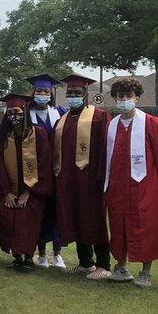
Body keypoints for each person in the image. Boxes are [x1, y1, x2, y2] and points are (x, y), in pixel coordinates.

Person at [103, 76, 158, 288]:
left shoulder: (150, 123)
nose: (124, 100)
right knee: (119, 226)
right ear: (114, 98)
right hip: (118, 187)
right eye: (120, 96)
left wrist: (155, 186)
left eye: (128, 96)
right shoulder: (112, 125)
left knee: (146, 226)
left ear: (137, 98)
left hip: (143, 185)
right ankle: (120, 267)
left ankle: (145, 272)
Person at [55, 74, 113, 280]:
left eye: (76, 93)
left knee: (94, 220)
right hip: (68, 180)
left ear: (86, 94)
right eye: (69, 93)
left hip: (91, 180)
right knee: (77, 218)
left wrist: (102, 178)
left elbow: (107, 148)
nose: (72, 96)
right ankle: (85, 262)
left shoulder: (99, 116)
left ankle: (104, 264)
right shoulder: (62, 120)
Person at [0, 93, 54, 272]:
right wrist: (7, 191)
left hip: (32, 191)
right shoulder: (2, 135)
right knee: (9, 220)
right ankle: (16, 257)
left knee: (27, 222)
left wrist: (28, 192)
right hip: (9, 190)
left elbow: (44, 163)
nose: (13, 115)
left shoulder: (38, 134)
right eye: (9, 111)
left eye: (16, 111)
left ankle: (28, 258)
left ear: (24, 111)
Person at [26, 74, 67, 269]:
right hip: (36, 171)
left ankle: (57, 254)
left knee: (56, 212)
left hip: (56, 170)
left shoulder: (59, 112)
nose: (43, 94)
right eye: (39, 91)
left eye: (46, 91)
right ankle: (41, 253)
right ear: (33, 93)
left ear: (51, 94)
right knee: (39, 212)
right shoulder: (27, 114)